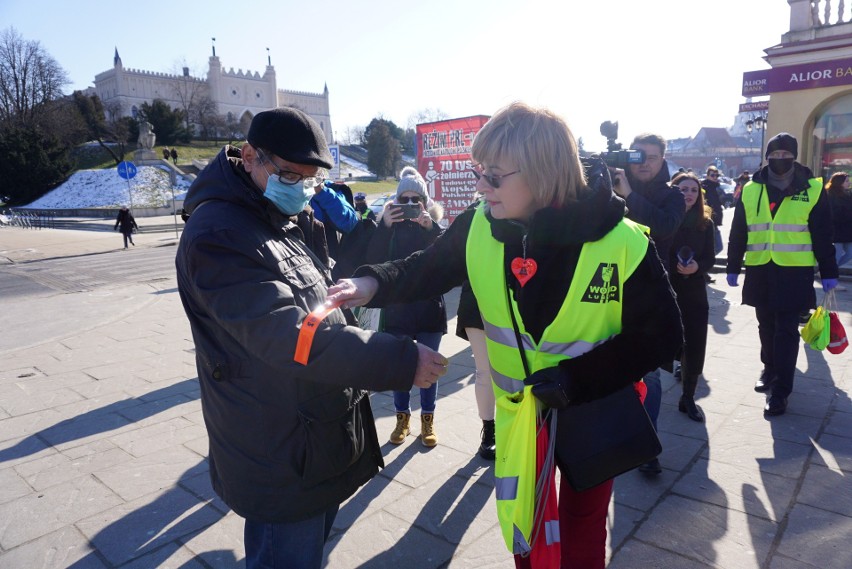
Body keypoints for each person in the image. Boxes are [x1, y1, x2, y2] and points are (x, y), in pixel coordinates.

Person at [327, 102, 681, 568]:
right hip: (519, 419)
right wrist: (369, 283)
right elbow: (426, 269)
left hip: (595, 410)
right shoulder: (479, 223)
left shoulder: (624, 241)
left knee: (583, 533)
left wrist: (577, 380)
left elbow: (662, 336)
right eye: (479, 172)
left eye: (494, 176)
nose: (480, 186)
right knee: (525, 531)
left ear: (541, 172)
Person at [174, 107, 448, 569]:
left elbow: (325, 296)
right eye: (287, 174)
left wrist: (365, 268)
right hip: (277, 445)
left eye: (308, 180)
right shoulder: (219, 234)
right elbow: (290, 338)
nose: (298, 187)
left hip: (311, 431)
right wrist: (398, 360)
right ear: (249, 157)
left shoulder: (282, 216)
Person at [726, 132, 838, 417]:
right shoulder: (752, 188)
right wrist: (733, 265)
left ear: (794, 156)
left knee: (786, 331)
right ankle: (769, 368)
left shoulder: (812, 188)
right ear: (767, 157)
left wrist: (828, 271)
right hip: (761, 268)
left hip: (794, 272)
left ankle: (781, 390)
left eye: (785, 155)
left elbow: (823, 233)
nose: (779, 160)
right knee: (765, 326)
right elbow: (739, 229)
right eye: (774, 155)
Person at [609, 132, 685, 475]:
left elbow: (663, 228)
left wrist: (627, 196)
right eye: (639, 154)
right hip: (608, 287)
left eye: (652, 157)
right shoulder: (612, 181)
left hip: (650, 292)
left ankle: (646, 445)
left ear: (662, 159)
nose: (645, 162)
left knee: (650, 375)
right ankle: (611, 436)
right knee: (609, 369)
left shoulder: (672, 195)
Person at [366, 166, 447, 447]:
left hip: (429, 310)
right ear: (395, 202)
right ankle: (402, 418)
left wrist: (431, 228)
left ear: (425, 202)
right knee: (400, 367)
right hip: (397, 310)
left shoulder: (432, 228)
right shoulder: (388, 227)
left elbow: (447, 260)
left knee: (431, 368)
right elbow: (373, 260)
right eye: (405, 200)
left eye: (417, 200)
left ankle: (428, 419)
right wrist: (383, 226)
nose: (411, 205)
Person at [668, 172, 716, 422]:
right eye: (682, 189)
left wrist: (698, 267)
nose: (688, 194)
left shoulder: (705, 223)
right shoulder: (664, 218)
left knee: (696, 341)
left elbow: (710, 257)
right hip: (665, 287)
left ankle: (688, 396)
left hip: (694, 289)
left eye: (693, 190)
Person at [454, 195, 496, 460]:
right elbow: (447, 257)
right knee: (485, 372)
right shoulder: (475, 213)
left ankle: (512, 427)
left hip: (515, 303)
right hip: (477, 304)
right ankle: (489, 430)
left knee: (513, 374)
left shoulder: (528, 207)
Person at [825, 171, 852, 270]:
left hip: (847, 231)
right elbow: (834, 214)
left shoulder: (848, 195)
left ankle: (831, 270)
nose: (849, 183)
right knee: (837, 254)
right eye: (846, 181)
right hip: (837, 230)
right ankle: (830, 272)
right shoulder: (831, 196)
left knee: (849, 254)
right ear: (839, 182)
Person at [701, 165, 725, 258]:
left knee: (715, 247)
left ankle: (705, 265)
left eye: (716, 175)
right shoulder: (705, 187)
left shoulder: (716, 187)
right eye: (712, 175)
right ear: (707, 175)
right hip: (708, 221)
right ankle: (704, 265)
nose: (715, 177)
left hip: (714, 222)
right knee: (718, 246)